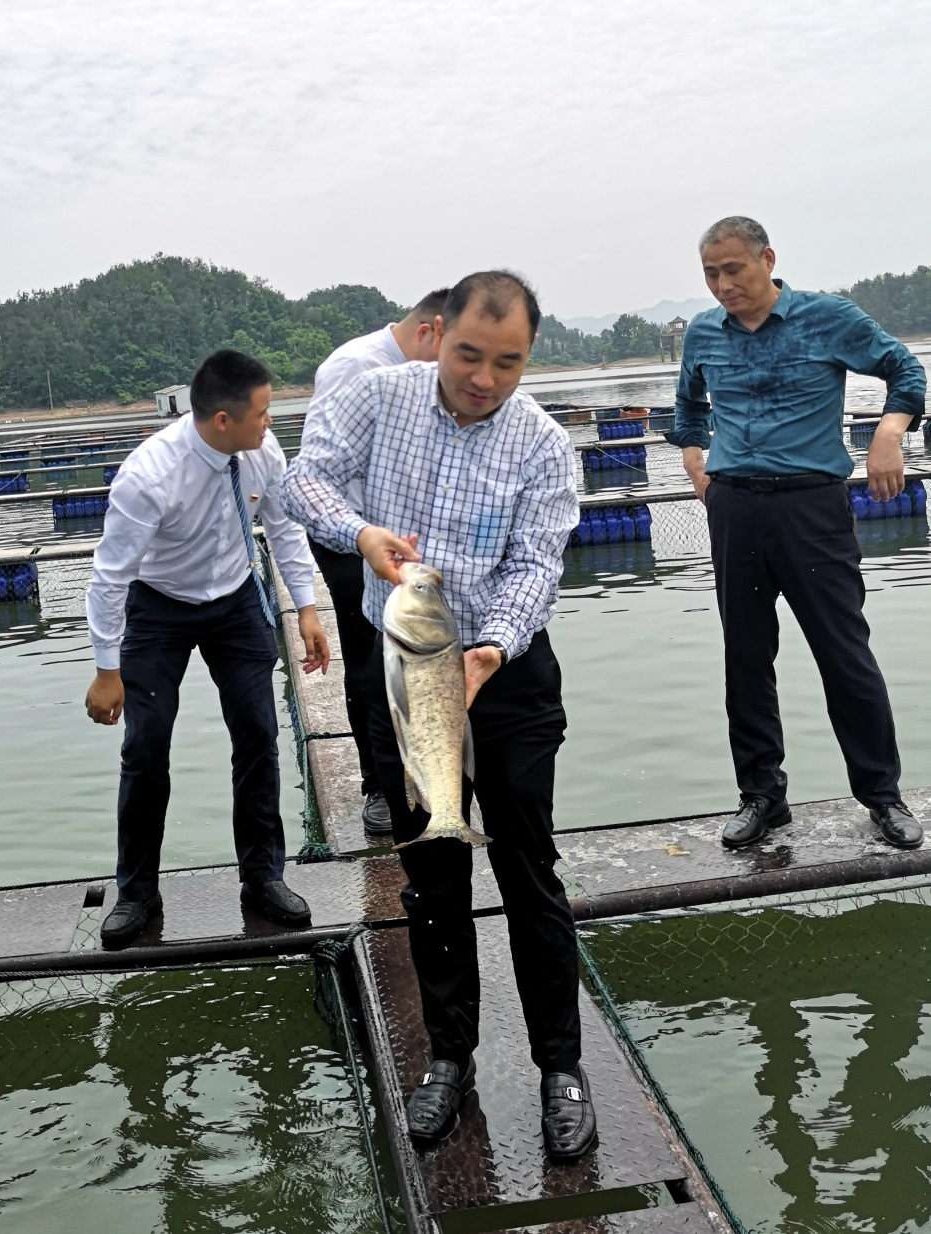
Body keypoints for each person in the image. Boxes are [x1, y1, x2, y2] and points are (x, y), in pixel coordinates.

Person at [282, 272, 596, 1160]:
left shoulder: (541, 443)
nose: (484, 379)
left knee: (531, 868)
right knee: (433, 873)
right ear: (434, 334)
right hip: (408, 674)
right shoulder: (378, 399)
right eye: (468, 354)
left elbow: (537, 565)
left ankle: (559, 1068)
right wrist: (359, 534)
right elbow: (305, 482)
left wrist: (488, 648)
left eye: (508, 362)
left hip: (508, 676)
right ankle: (447, 1059)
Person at [667, 217, 927, 851]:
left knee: (844, 653)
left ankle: (882, 796)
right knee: (746, 659)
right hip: (735, 509)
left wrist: (890, 434)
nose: (723, 284)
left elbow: (906, 371)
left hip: (812, 507)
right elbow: (688, 408)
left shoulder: (826, 317)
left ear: (767, 259)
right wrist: (697, 460)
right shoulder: (703, 331)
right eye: (710, 274)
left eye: (733, 269)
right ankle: (761, 797)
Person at [85, 349, 331, 950]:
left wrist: (305, 607)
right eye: (263, 413)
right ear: (222, 420)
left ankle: (262, 877)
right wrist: (106, 669)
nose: (270, 423)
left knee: (257, 731)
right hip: (159, 604)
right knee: (146, 745)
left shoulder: (259, 452)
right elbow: (110, 576)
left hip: (235, 597)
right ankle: (137, 892)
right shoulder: (149, 476)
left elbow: (284, 526)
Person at [304, 289, 449, 838]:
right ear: (430, 330)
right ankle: (377, 785)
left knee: (411, 657)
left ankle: (423, 772)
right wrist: (362, 532)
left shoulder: (419, 374)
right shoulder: (355, 368)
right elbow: (321, 474)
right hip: (349, 537)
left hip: (400, 540)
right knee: (369, 657)